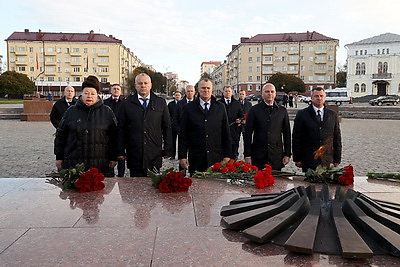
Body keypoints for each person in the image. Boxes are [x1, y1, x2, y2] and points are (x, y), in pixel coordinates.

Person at [54, 75, 118, 176]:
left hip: (101, 163)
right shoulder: (71, 112)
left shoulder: (107, 112)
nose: (89, 96)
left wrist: (114, 157)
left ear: (98, 95)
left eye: (93, 93)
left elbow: (114, 137)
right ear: (81, 94)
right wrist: (59, 157)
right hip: (74, 162)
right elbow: (61, 135)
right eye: (86, 93)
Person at [117, 73, 173, 177]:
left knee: (154, 185)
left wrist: (168, 149)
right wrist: (120, 150)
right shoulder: (126, 103)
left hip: (154, 152)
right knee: (136, 186)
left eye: (145, 83)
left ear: (150, 85)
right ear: (135, 85)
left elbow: (167, 126)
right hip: (134, 152)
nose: (143, 85)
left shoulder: (160, 102)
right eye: (140, 83)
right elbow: (121, 128)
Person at [178, 78, 231, 175]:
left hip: (216, 157)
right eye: (203, 88)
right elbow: (183, 134)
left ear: (212, 90)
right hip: (196, 157)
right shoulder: (189, 108)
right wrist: (182, 156)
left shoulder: (220, 107)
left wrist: (227, 155)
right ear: (198, 89)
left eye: (208, 88)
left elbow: (226, 132)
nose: (206, 90)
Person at [292, 87, 342, 172]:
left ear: (325, 97)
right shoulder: (302, 114)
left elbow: (337, 138)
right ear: (311, 98)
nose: (319, 98)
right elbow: (296, 138)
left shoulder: (332, 115)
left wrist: (337, 159)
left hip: (327, 159)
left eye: (321, 96)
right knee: (308, 184)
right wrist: (297, 158)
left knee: (327, 184)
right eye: (316, 96)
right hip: (308, 159)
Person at [244, 83, 291, 171]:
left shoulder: (282, 111)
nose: (270, 94)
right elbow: (248, 134)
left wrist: (287, 154)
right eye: (267, 91)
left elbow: (287, 134)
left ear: (275, 93)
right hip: (258, 154)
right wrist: (247, 155)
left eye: (272, 91)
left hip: (276, 155)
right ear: (262, 94)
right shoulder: (254, 110)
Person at [104, 83, 125, 177]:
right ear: (111, 91)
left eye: (118, 89)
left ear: (121, 91)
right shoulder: (105, 102)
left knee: (121, 154)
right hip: (109, 131)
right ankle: (110, 172)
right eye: (114, 89)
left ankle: (121, 174)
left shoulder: (125, 103)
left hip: (121, 131)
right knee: (110, 152)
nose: (116, 90)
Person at [218, 85, 243, 160]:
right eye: (226, 91)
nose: (228, 93)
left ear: (232, 92)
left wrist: (240, 120)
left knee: (233, 152)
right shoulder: (218, 103)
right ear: (223, 92)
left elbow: (241, 115)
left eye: (229, 91)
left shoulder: (237, 103)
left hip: (234, 132)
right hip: (221, 132)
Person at [167, 90, 182, 159]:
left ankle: (181, 155)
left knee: (181, 141)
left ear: (181, 96)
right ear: (174, 96)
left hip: (181, 125)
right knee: (172, 141)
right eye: (176, 95)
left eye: (178, 95)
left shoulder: (183, 104)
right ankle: (172, 155)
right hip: (172, 125)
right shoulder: (170, 104)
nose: (177, 96)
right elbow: (167, 114)